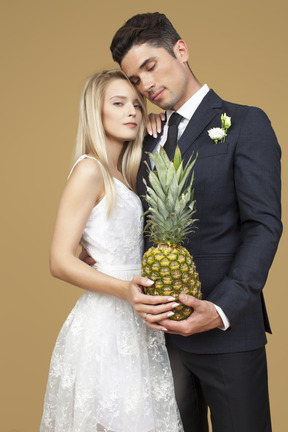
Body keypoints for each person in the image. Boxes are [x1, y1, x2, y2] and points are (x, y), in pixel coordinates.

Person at [107, 12, 282, 432]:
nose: (145, 85)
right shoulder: (145, 136)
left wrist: (222, 308)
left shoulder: (246, 123)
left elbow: (263, 225)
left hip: (229, 333)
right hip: (159, 337)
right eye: (134, 80)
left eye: (150, 66)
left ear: (181, 51)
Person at [39, 69, 184, 432]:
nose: (131, 111)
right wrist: (125, 289)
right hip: (107, 320)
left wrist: (158, 123)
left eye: (137, 104)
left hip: (137, 317)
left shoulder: (123, 172)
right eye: (117, 104)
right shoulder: (90, 169)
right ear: (95, 112)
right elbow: (58, 260)